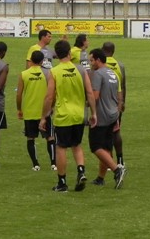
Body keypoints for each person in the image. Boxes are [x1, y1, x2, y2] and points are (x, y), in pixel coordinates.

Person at [41, 40, 96, 193]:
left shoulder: (54, 72)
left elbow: (49, 97)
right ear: (70, 53)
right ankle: (81, 171)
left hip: (63, 115)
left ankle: (62, 182)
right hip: (79, 115)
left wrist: (44, 116)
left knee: (61, 147)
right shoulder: (81, 70)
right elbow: (90, 93)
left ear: (57, 55)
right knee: (77, 145)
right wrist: (94, 113)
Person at [87, 49, 127, 188]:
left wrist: (86, 103)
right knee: (106, 147)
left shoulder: (98, 74)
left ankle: (117, 170)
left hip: (101, 116)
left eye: (92, 60)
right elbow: (119, 95)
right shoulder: (113, 73)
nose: (90, 63)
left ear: (98, 60)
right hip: (113, 114)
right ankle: (100, 178)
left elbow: (95, 96)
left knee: (95, 147)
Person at [17, 50, 56, 171]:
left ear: (32, 60)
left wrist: (19, 109)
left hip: (29, 111)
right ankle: (53, 163)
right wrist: (52, 107)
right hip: (44, 112)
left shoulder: (24, 74)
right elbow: (53, 93)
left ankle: (35, 164)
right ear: (42, 61)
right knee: (50, 137)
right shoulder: (48, 73)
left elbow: (19, 94)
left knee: (31, 138)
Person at [102, 41, 126, 168]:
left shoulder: (100, 65)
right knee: (116, 131)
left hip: (103, 104)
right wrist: (123, 103)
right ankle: (120, 159)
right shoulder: (120, 65)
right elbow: (123, 85)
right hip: (116, 103)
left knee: (105, 133)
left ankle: (109, 161)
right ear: (113, 51)